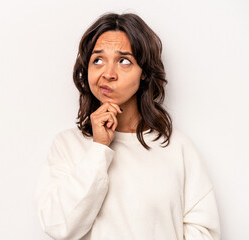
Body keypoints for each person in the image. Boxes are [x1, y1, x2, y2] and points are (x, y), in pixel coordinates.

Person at [35, 12, 220, 240]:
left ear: (144, 72)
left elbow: (203, 229)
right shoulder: (67, 145)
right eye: (98, 60)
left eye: (124, 61)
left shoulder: (176, 146)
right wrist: (99, 148)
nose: (108, 74)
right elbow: (59, 226)